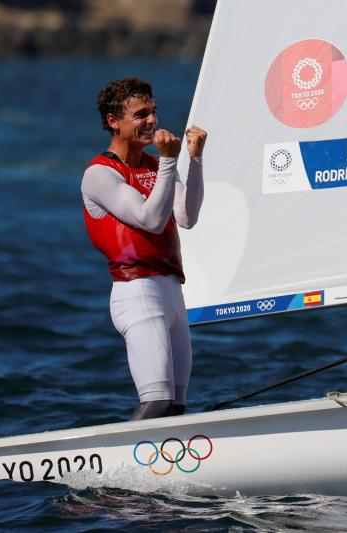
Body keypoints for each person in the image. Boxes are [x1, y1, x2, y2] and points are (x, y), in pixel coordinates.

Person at [81, 77, 206, 419]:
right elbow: (149, 220)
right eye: (140, 114)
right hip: (137, 294)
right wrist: (169, 161)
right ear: (113, 122)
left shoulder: (154, 165)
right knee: (158, 403)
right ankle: (115, 469)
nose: (152, 120)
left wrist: (193, 161)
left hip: (172, 294)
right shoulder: (100, 174)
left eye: (153, 111)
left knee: (177, 408)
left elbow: (187, 216)